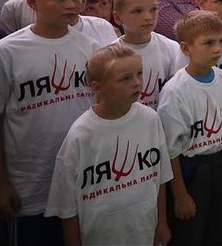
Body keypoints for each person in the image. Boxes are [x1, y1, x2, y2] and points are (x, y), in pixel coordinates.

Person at [0, 0, 98, 245]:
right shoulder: (5, 52)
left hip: (81, 178)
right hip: (29, 183)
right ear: (32, 2)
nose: (71, 5)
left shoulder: (90, 48)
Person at [45, 45, 173, 246]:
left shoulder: (150, 119)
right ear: (97, 87)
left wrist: (162, 222)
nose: (137, 82)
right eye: (125, 78)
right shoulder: (81, 134)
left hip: (143, 229)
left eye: (139, 73)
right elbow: (67, 208)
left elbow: (160, 178)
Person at [158, 10, 222, 246]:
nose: (218, 49)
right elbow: (171, 151)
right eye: (208, 43)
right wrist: (180, 194)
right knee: (192, 232)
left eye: (220, 41)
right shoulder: (175, 91)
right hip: (194, 171)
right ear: (186, 48)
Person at [111, 0, 185, 108]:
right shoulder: (110, 56)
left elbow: (181, 94)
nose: (148, 17)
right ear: (117, 17)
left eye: (153, 9)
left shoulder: (173, 48)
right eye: (137, 11)